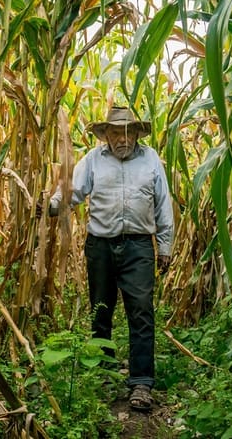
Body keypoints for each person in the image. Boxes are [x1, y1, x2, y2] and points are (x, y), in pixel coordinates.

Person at [48, 106, 174, 411]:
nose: (122, 138)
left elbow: (163, 203)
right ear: (106, 135)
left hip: (139, 246)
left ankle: (141, 382)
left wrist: (165, 246)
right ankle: (103, 374)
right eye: (116, 132)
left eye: (128, 132)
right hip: (101, 246)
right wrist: (51, 205)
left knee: (141, 312)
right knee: (101, 310)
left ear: (136, 134)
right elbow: (73, 192)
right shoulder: (93, 160)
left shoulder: (151, 159)